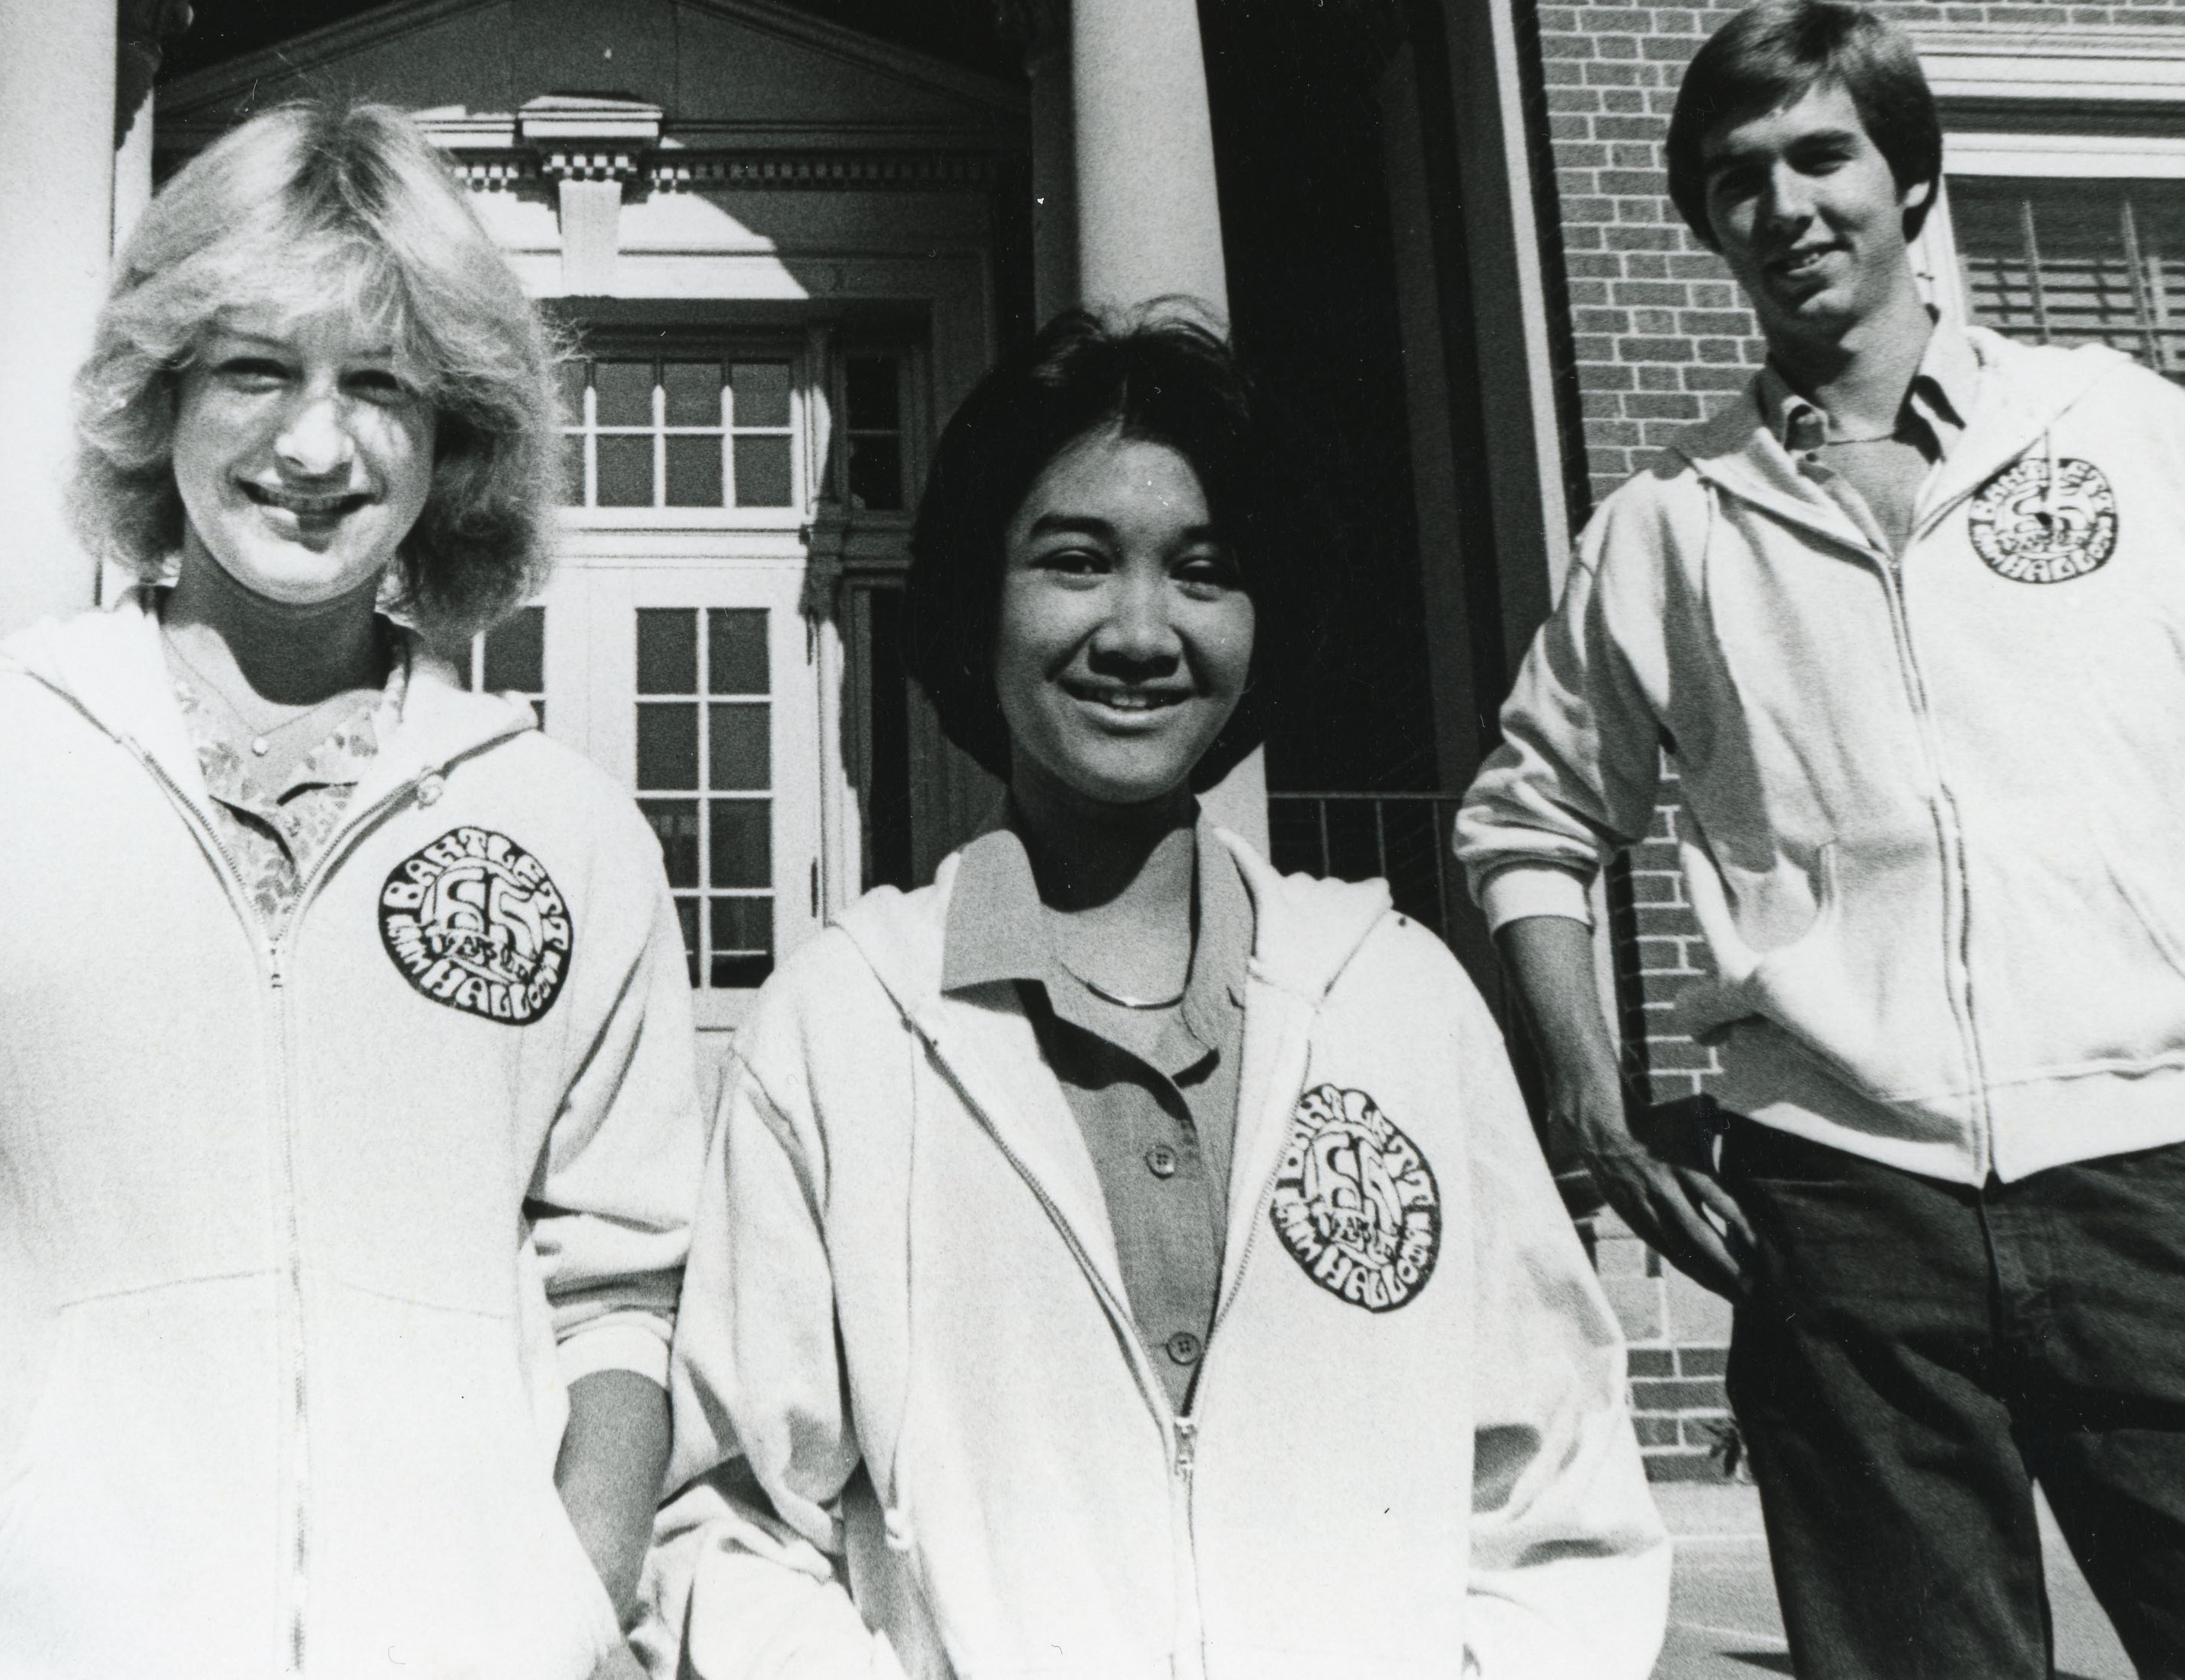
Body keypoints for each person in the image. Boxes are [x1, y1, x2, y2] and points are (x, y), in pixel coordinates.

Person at [0, 99, 703, 1679]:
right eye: (257, 369)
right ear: (160, 392)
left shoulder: (560, 823)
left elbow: (622, 1278)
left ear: (456, 435)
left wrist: (576, 1586)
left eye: (380, 383)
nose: (315, 448)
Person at [1459, 0, 2185, 1678]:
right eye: (1732, 178)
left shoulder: (2120, 431)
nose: (1780, 206)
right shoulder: (1666, 527)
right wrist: (1589, 1096)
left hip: (2153, 1187)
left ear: (1909, 177)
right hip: (1843, 1214)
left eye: (1818, 154)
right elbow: (1529, 820)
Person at [656, 308, 1667, 1678]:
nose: (1141, 630)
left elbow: (1558, 1493)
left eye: (1204, 570)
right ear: (977, 596)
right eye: (1075, 560)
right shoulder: (842, 1023)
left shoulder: (1400, 1001)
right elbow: (730, 1524)